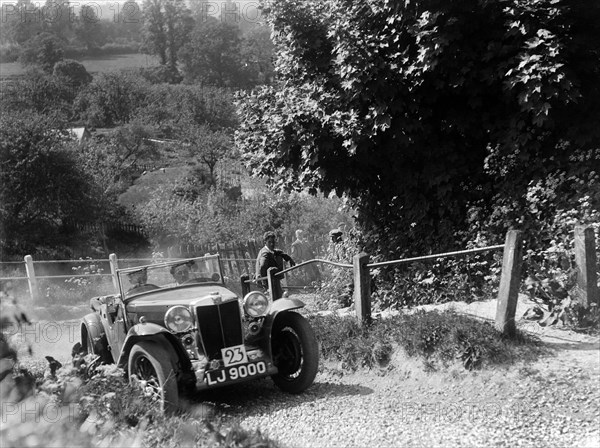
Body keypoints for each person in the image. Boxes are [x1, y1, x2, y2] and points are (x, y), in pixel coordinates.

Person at [255, 231, 295, 299]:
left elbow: (278, 252)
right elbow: (262, 267)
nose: (272, 244)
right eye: (269, 242)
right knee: (276, 299)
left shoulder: (270, 250)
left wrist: (289, 258)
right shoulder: (265, 253)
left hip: (273, 280)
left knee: (280, 297)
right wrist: (265, 284)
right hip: (267, 282)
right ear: (265, 242)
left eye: (273, 242)